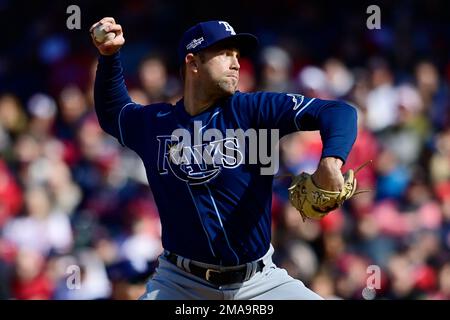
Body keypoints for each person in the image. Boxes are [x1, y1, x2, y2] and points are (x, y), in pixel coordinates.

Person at [90, 17, 357, 300]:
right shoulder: (156, 124)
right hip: (179, 284)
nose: (236, 64)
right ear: (193, 62)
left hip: (259, 282)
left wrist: (331, 160)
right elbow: (113, 113)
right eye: (225, 54)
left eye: (237, 55)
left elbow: (339, 112)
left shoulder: (253, 110)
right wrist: (109, 57)